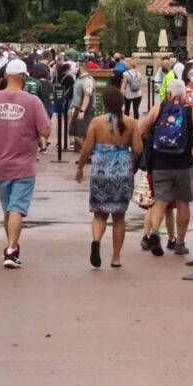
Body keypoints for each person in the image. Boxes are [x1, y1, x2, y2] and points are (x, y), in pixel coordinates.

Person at [0, 59, 51, 269]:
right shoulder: (32, 102)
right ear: (24, 77)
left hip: (0, 164)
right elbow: (46, 131)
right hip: (24, 164)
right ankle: (10, 249)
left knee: (8, 209)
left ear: (6, 76)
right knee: (17, 207)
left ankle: (12, 247)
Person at [139, 79, 193, 256]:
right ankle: (179, 242)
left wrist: (153, 136)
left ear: (169, 94)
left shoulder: (159, 108)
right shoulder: (191, 112)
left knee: (160, 200)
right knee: (183, 203)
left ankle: (155, 231)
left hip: (160, 163)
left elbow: (141, 130)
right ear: (185, 95)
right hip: (183, 164)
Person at [76, 86, 144, 268]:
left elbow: (87, 149)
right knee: (119, 216)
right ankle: (115, 257)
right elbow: (138, 149)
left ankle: (96, 241)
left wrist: (81, 167)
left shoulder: (97, 122)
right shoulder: (131, 123)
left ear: (104, 104)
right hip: (122, 169)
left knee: (99, 213)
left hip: (101, 170)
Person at [68, 63, 95, 152]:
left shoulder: (88, 80)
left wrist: (82, 111)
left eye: (76, 66)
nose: (75, 69)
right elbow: (76, 95)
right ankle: (85, 151)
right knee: (74, 131)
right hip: (77, 108)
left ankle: (87, 152)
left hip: (85, 110)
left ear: (81, 67)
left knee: (83, 133)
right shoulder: (79, 79)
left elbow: (87, 96)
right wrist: (71, 108)